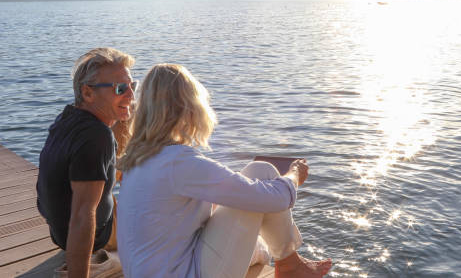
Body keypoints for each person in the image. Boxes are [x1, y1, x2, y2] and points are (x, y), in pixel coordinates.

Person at [116, 64, 333, 278]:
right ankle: (289, 265)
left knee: (257, 183)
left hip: (154, 269)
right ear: (189, 107)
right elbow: (274, 199)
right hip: (180, 272)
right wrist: (294, 175)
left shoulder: (141, 158)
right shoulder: (178, 162)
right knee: (263, 175)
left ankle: (288, 264)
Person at [37, 47, 137, 277]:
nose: (131, 95)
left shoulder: (67, 117)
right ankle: (104, 262)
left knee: (128, 113)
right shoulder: (97, 138)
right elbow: (83, 215)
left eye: (133, 85)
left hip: (58, 228)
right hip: (91, 236)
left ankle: (121, 169)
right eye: (120, 88)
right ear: (88, 93)